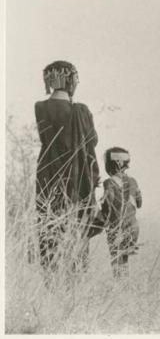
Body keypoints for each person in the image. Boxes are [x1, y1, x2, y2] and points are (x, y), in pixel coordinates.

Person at [35, 60, 99, 278]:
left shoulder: (40, 107)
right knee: (76, 227)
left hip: (47, 172)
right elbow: (91, 141)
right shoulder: (80, 111)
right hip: (76, 174)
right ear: (70, 80)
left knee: (48, 224)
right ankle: (75, 281)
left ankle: (50, 279)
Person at [101, 147, 142, 278]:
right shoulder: (133, 181)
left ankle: (119, 285)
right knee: (124, 258)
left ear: (115, 163)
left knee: (116, 257)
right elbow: (139, 203)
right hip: (133, 226)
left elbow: (109, 202)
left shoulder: (109, 182)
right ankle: (124, 283)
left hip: (117, 227)